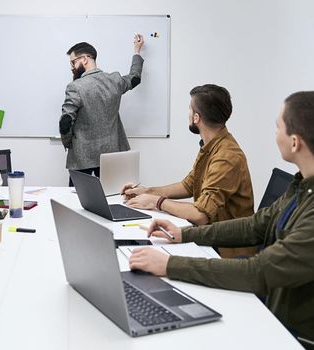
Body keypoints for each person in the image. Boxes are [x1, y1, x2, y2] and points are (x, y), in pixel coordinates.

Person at [129, 91, 314, 344]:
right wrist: (184, 234)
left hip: (293, 335)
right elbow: (256, 224)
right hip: (276, 309)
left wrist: (169, 265)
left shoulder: (229, 155)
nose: (274, 134)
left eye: (277, 127)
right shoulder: (302, 186)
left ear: (294, 142)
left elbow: (259, 271)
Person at [122, 84, 255, 258]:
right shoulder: (213, 145)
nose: (188, 114)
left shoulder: (226, 157)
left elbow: (200, 215)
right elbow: (189, 185)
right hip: (211, 236)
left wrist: (156, 202)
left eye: (190, 110)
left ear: (196, 118)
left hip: (225, 249)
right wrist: (146, 192)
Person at [59, 34, 145, 186]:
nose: (71, 67)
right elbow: (135, 78)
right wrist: (136, 51)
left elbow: (65, 122)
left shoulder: (75, 87)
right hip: (110, 154)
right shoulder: (115, 80)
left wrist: (68, 144)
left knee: (77, 201)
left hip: (81, 157)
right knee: (110, 198)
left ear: (84, 59)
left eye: (73, 62)